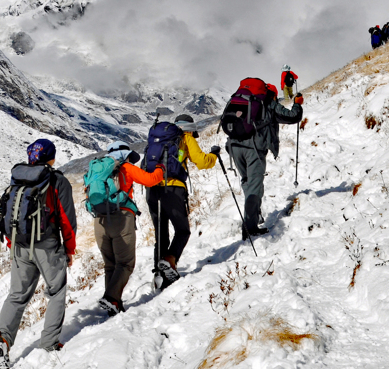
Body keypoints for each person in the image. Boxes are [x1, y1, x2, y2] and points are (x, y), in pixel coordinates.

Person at [0, 139, 77, 366]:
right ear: (51, 157)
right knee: (56, 290)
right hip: (47, 245)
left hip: (20, 244)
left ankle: (1, 340)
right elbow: (67, 220)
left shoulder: (18, 178)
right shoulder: (56, 180)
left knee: (17, 296)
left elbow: (12, 214)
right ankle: (49, 343)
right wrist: (69, 249)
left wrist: (12, 242)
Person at [146, 114, 219, 289]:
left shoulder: (157, 139)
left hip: (152, 189)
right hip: (172, 189)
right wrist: (214, 156)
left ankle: (159, 275)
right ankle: (170, 261)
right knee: (182, 231)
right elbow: (201, 161)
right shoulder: (185, 137)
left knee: (161, 234)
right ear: (190, 128)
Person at [92, 142, 164, 316]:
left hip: (99, 220)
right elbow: (151, 180)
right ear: (125, 155)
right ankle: (111, 298)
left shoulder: (98, 171)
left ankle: (113, 303)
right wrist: (161, 167)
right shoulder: (126, 167)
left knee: (110, 265)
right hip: (121, 217)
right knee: (125, 263)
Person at [226, 92, 303, 238]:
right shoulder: (268, 104)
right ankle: (250, 229)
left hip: (234, 147)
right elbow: (292, 116)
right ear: (271, 96)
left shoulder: (243, 102)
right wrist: (297, 103)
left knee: (248, 182)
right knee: (254, 187)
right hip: (253, 150)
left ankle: (255, 215)